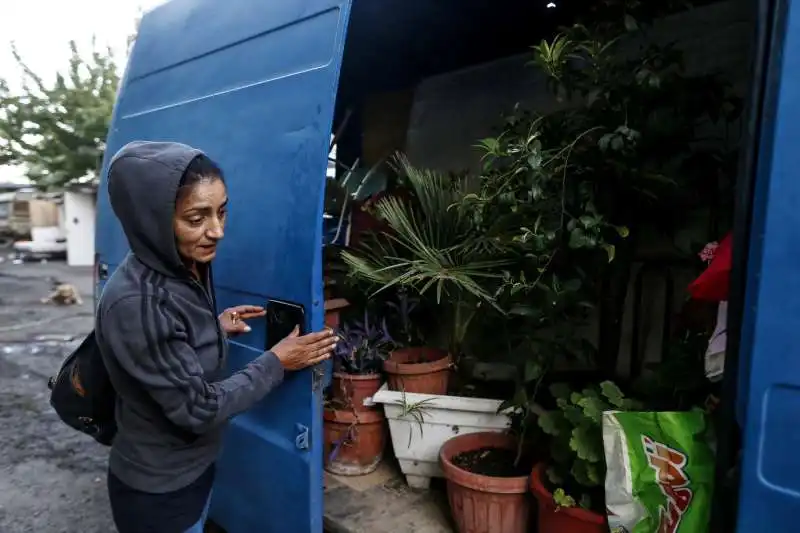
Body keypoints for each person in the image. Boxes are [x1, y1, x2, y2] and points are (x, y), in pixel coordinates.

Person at [95, 141, 337, 533]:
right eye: (196, 218)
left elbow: (169, 340)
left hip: (192, 471)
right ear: (152, 220)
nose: (217, 231)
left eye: (222, 212)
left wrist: (212, 325)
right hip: (161, 494)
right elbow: (199, 409)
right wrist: (278, 361)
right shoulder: (136, 302)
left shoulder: (177, 264)